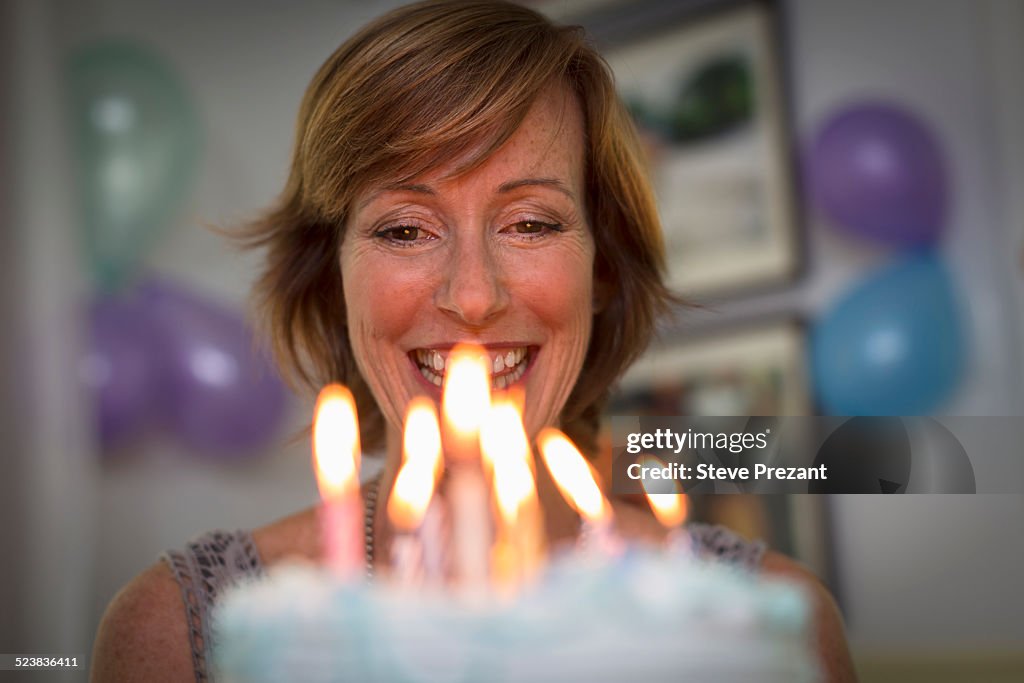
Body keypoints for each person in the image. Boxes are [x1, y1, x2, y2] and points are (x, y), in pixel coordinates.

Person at [90, 1, 856, 681]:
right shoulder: (178, 631)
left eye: (530, 223)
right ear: (333, 278)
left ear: (602, 271)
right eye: (404, 230)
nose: (473, 296)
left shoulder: (766, 625)